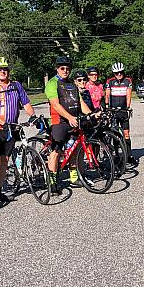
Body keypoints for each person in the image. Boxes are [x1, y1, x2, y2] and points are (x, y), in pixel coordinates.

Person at [0, 57, 36, 208]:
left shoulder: (16, 86)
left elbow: (26, 103)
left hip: (11, 129)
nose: (3, 72)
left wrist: (33, 116)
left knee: (5, 161)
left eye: (5, 69)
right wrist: (3, 122)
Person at [45, 56, 94, 190]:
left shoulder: (72, 85)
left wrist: (91, 114)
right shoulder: (52, 83)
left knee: (75, 149)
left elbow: (81, 103)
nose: (65, 70)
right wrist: (69, 117)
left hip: (74, 121)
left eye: (67, 68)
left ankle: (74, 177)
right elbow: (55, 104)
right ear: (57, 69)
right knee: (56, 150)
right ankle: (52, 180)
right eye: (62, 68)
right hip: (59, 121)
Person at [105, 62, 136, 165]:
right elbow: (107, 95)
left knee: (126, 134)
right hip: (113, 110)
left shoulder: (128, 81)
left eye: (121, 72)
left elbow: (128, 94)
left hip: (123, 110)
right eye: (116, 73)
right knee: (114, 133)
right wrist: (106, 106)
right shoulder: (110, 81)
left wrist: (127, 107)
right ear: (114, 73)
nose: (119, 74)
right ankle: (117, 155)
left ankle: (129, 155)